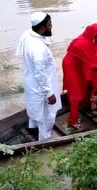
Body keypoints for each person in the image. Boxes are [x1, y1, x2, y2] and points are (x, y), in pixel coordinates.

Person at [16, 12, 62, 141]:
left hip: (31, 80)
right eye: (49, 24)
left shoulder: (28, 34)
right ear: (42, 27)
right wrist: (49, 93)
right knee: (47, 114)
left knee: (37, 111)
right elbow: (40, 73)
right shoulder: (37, 49)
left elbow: (20, 52)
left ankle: (35, 130)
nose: (51, 26)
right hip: (40, 85)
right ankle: (45, 139)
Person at [62, 23, 97, 130]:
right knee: (75, 94)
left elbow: (94, 48)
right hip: (72, 68)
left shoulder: (88, 40)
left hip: (79, 66)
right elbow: (91, 65)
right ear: (94, 34)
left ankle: (82, 104)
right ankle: (72, 121)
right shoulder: (81, 43)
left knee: (84, 86)